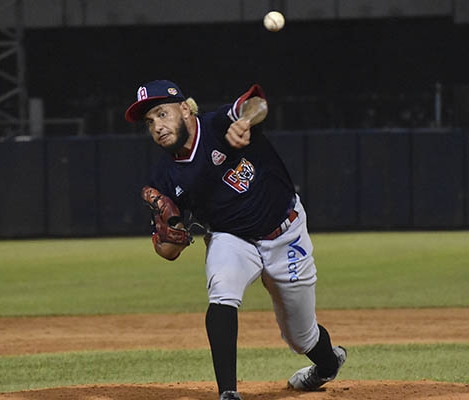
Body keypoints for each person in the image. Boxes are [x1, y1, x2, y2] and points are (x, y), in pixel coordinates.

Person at [125, 80, 346, 400]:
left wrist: (245, 121)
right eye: (150, 122)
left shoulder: (217, 125)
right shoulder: (164, 175)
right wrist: (167, 238)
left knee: (301, 337)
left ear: (185, 109)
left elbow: (256, 101)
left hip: (285, 233)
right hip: (232, 238)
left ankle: (326, 365)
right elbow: (169, 250)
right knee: (222, 292)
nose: (157, 126)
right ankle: (228, 392)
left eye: (162, 113)